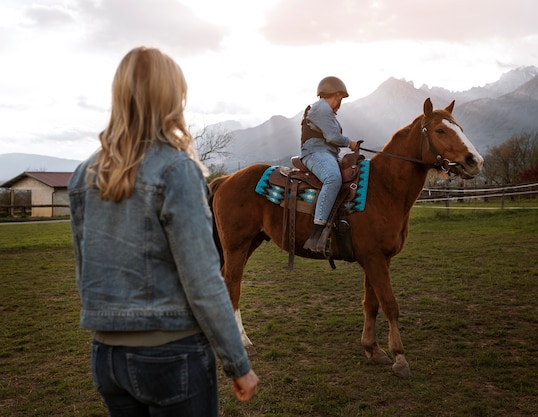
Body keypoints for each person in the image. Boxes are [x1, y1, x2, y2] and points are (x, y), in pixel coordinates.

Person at [68, 47, 258, 417]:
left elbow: (85, 270)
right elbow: (203, 279)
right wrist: (237, 363)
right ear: (172, 98)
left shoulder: (83, 175)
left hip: (106, 356)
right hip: (170, 355)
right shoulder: (176, 170)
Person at [300, 76, 359, 254]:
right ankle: (316, 234)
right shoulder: (322, 108)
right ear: (337, 95)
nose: (339, 102)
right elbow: (333, 137)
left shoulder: (325, 111)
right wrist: (350, 143)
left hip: (328, 154)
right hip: (315, 152)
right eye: (340, 98)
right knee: (333, 178)